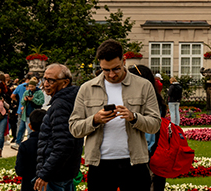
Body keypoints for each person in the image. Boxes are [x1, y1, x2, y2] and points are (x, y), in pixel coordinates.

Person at [67, 40, 162, 191]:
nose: (111, 74)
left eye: (116, 69)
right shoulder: (87, 88)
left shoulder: (144, 86)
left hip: (135, 163)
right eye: (106, 70)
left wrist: (134, 117)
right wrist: (95, 120)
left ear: (124, 60)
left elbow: (155, 124)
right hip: (100, 164)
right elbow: (74, 128)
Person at [33, 64, 82, 191]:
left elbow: (63, 143)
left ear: (65, 83)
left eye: (51, 80)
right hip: (64, 173)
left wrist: (45, 174)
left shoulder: (61, 104)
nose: (45, 84)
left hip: (56, 176)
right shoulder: (69, 100)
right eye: (44, 79)